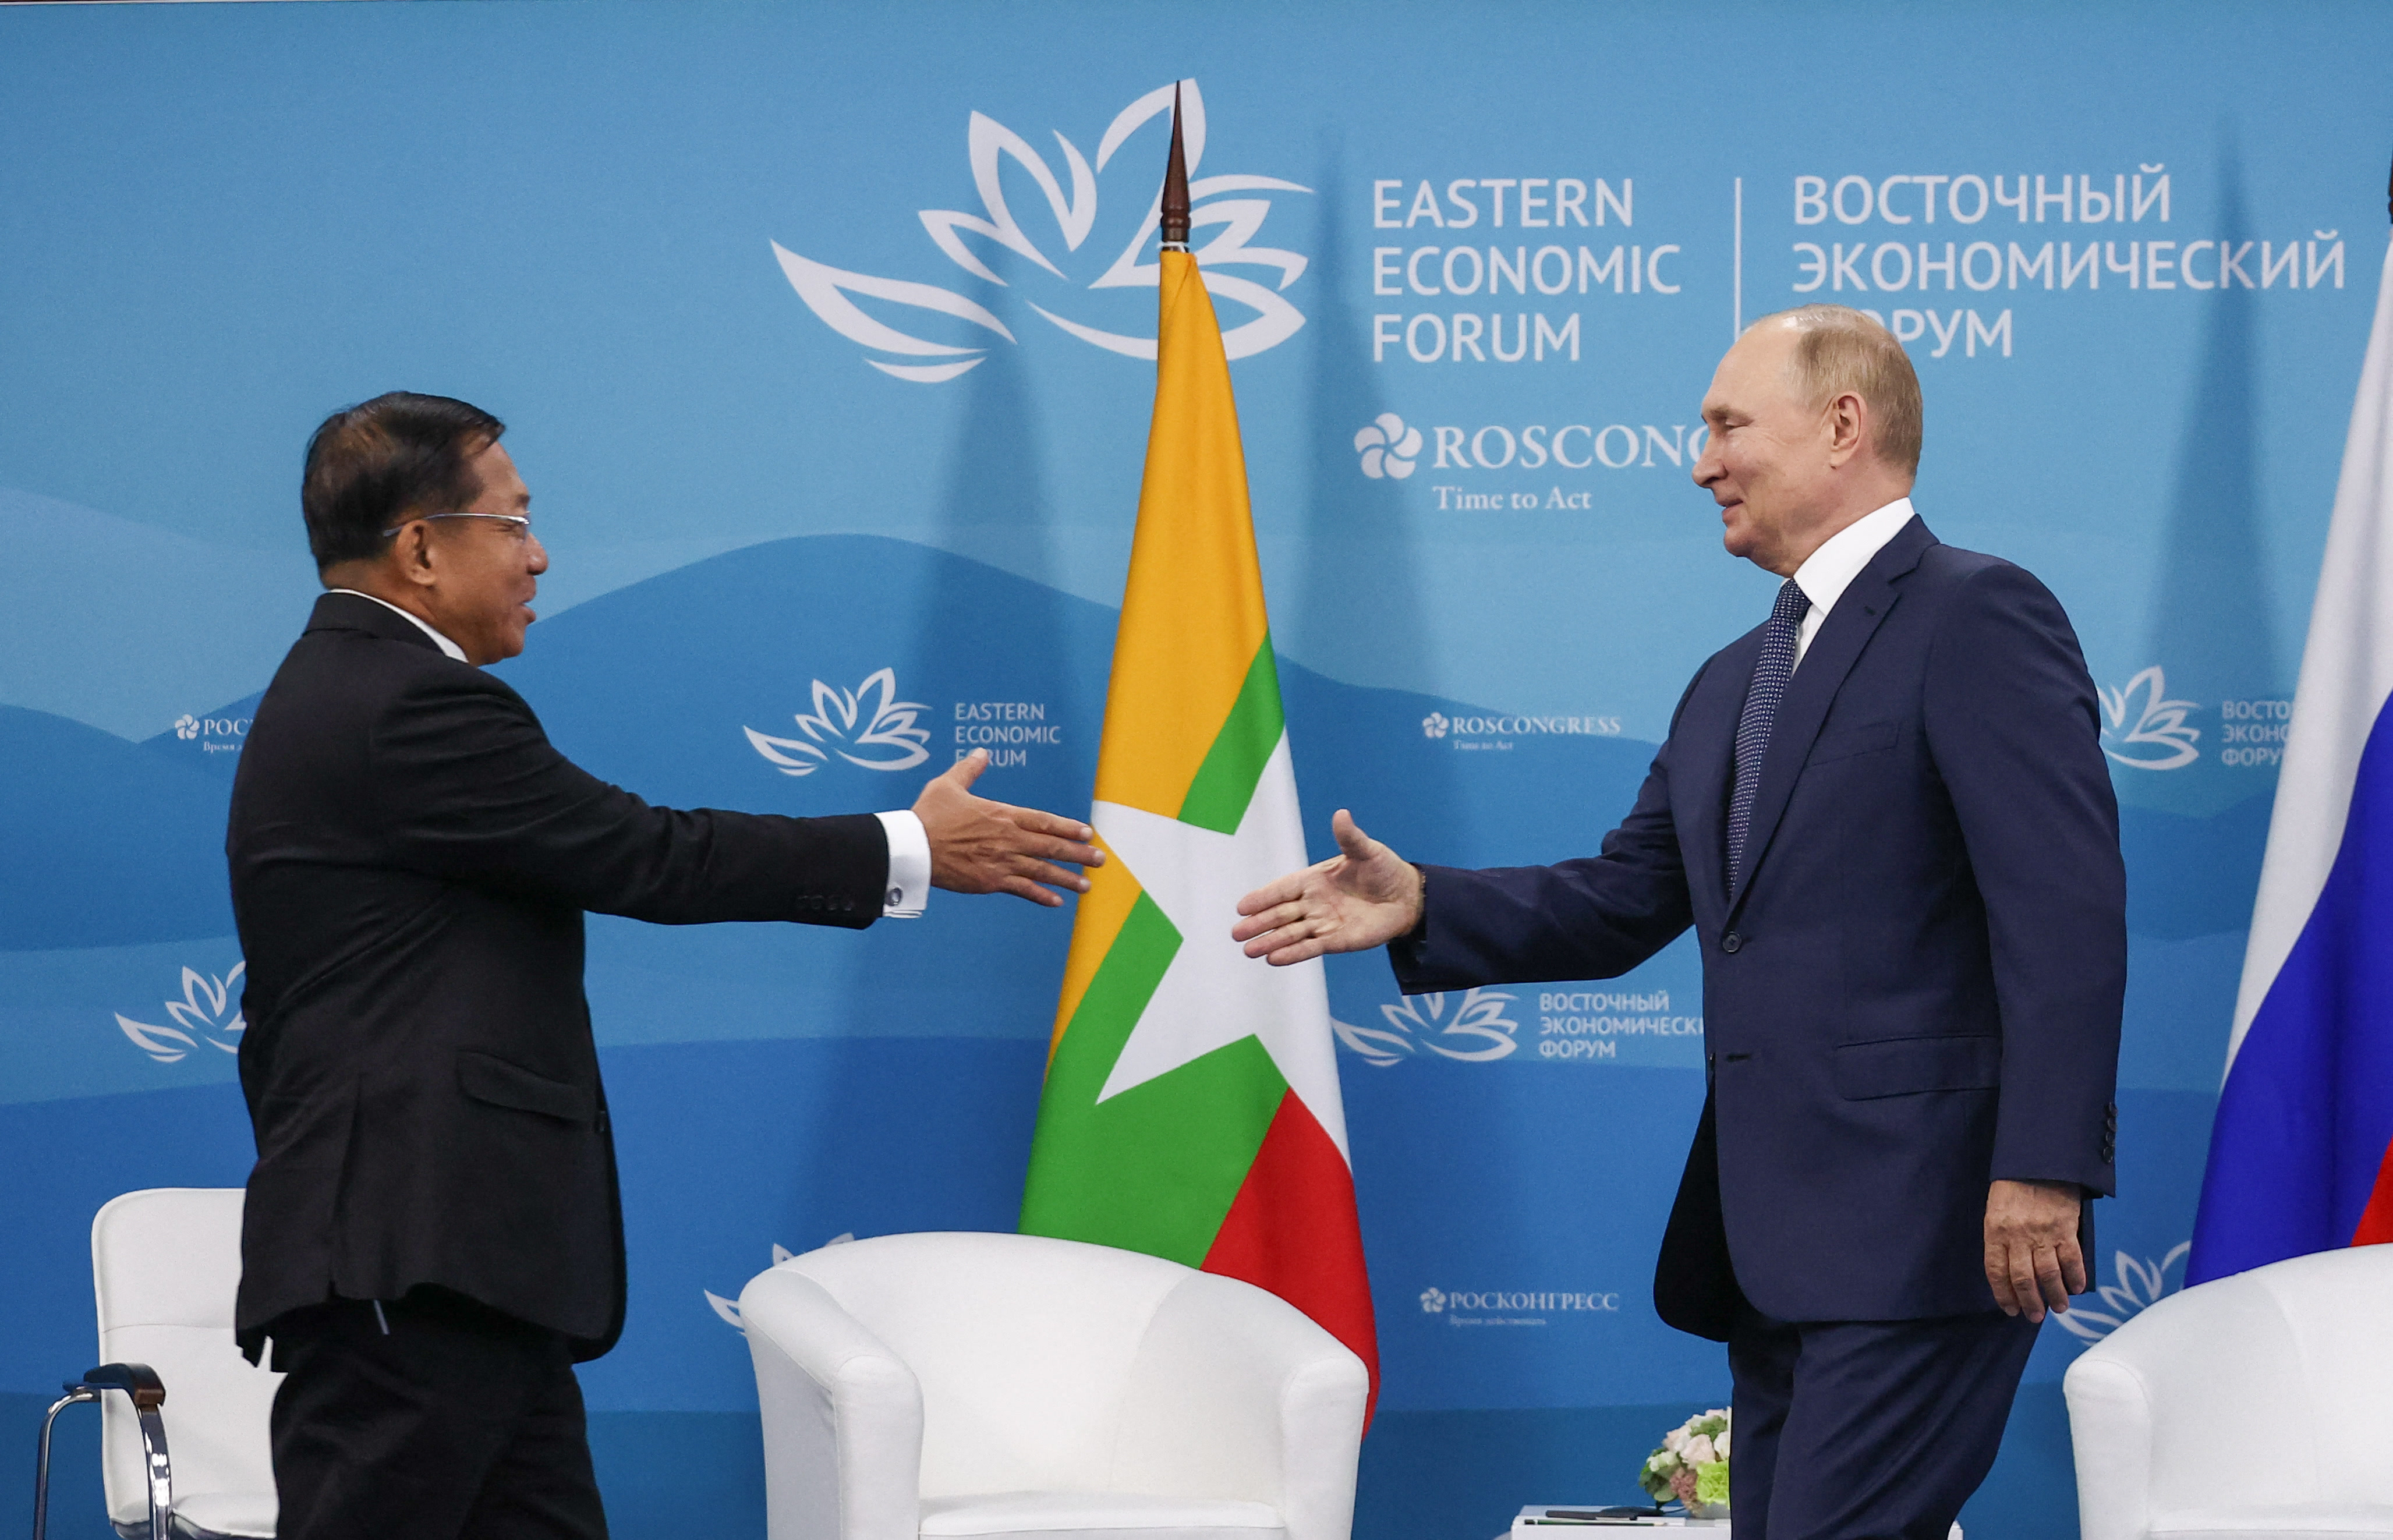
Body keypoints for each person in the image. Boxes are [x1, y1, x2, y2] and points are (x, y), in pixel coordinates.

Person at [1233, 307, 2125, 1540]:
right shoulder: (1732, 682)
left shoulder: (1978, 616)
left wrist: (2044, 1166)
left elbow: (2066, 912)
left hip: (1929, 1229)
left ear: (1843, 428)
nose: (1701, 462)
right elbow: (1623, 899)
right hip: (1769, 1248)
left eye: (1726, 426)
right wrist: (1429, 903)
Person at [228, 391, 1104, 1540]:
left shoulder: (362, 691)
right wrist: (911, 848)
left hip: (469, 1270)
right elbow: (650, 857)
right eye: (514, 523)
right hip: (414, 1257)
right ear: (422, 547)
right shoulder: (410, 705)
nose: (540, 556)